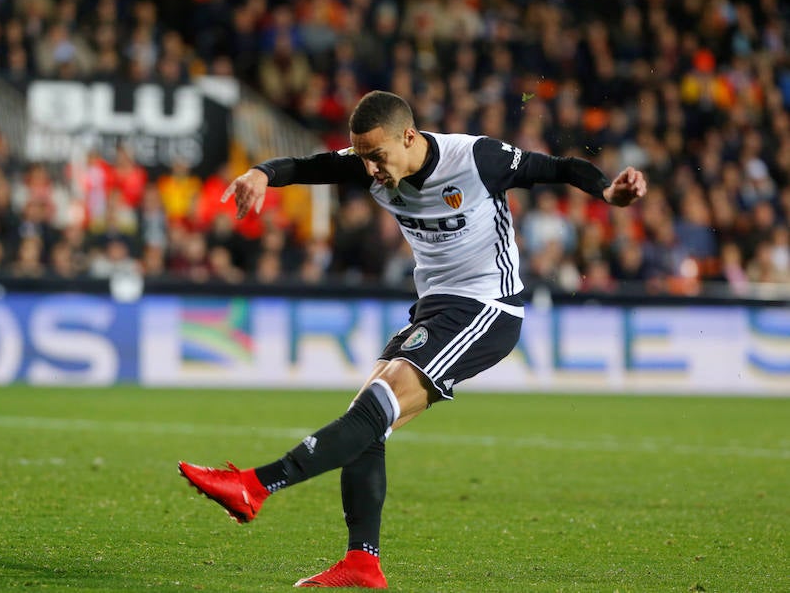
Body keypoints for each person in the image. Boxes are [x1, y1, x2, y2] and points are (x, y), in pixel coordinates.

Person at [178, 90, 646, 588]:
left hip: (487, 307)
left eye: (378, 157)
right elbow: (303, 164)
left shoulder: (476, 158)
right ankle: (362, 561)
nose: (371, 169)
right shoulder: (368, 162)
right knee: (369, 423)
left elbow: (560, 167)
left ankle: (255, 485)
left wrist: (606, 192)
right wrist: (260, 174)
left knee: (372, 408)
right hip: (435, 307)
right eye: (363, 158)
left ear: (409, 136)